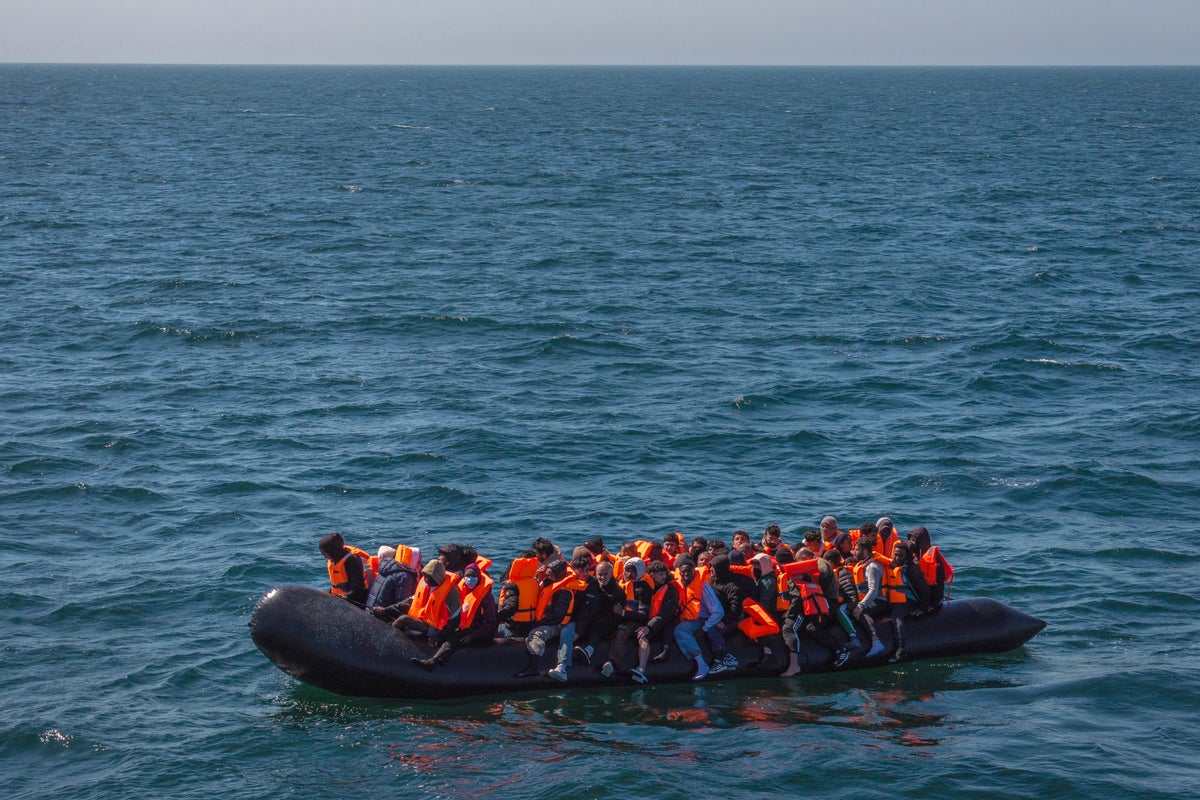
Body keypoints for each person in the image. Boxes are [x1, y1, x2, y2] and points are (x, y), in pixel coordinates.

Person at [410, 562, 497, 671]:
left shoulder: (486, 597)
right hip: (460, 625)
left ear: (478, 577)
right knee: (447, 631)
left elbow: (490, 623)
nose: (469, 579)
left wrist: (472, 637)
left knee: (453, 638)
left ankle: (434, 661)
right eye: (467, 576)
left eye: (473, 576)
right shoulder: (461, 590)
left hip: (476, 630)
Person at [515, 558, 585, 680]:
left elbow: (558, 616)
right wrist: (540, 576)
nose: (548, 576)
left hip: (557, 625)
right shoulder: (550, 584)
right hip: (545, 620)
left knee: (536, 634)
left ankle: (534, 667)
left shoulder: (564, 592)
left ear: (559, 575)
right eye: (548, 574)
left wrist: (540, 623)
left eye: (551, 575)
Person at [780, 557, 840, 676]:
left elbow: (798, 600)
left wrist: (789, 616)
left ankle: (794, 665)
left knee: (790, 628)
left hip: (810, 610)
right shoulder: (793, 577)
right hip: (807, 608)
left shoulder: (806, 575)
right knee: (808, 627)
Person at [624, 560, 680, 683]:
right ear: (651, 574)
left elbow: (666, 614)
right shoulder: (644, 587)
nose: (663, 577)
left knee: (643, 636)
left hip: (663, 623)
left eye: (664, 574)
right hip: (646, 620)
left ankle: (641, 669)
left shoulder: (669, 590)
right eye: (660, 574)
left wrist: (649, 627)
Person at [672, 555, 726, 680]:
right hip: (688, 618)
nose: (686, 574)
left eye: (688, 571)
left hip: (703, 619)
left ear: (694, 571)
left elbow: (718, 611)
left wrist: (705, 628)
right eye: (683, 572)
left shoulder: (703, 587)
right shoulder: (678, 585)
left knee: (680, 630)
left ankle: (701, 663)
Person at [600, 558, 652, 680]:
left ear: (639, 571)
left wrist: (623, 613)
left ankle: (613, 662)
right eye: (627, 571)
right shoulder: (619, 584)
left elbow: (643, 614)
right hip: (620, 618)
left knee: (622, 633)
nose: (629, 574)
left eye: (632, 571)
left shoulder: (643, 588)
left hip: (636, 621)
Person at [391, 559, 462, 644]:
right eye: (426, 575)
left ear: (438, 577)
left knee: (403, 619)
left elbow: (455, 619)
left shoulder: (451, 591)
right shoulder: (426, 584)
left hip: (435, 628)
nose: (427, 579)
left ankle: (390, 639)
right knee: (398, 618)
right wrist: (387, 609)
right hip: (421, 619)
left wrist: (439, 636)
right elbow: (411, 600)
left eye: (430, 577)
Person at [850, 539, 897, 659]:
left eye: (856, 550)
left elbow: (873, 591)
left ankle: (876, 641)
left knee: (861, 612)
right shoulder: (862, 564)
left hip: (881, 601)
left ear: (865, 551)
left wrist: (860, 606)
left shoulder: (872, 567)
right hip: (871, 601)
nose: (854, 552)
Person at [574, 558, 624, 666]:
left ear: (611, 574)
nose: (602, 577)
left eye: (605, 574)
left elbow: (615, 616)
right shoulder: (592, 585)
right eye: (600, 574)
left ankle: (588, 652)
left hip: (607, 623)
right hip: (592, 617)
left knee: (596, 628)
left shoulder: (618, 592)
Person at [367, 544, 420, 620]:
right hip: (382, 619)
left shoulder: (385, 568)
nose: (420, 565)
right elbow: (402, 607)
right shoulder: (404, 576)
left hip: (369, 611)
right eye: (418, 561)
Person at [319, 532, 369, 607]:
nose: (325, 556)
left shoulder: (351, 561)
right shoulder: (334, 559)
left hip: (356, 600)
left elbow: (358, 588)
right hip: (340, 599)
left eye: (325, 554)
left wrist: (346, 597)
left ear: (333, 551)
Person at [908, 526, 954, 606]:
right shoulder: (914, 556)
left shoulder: (935, 559)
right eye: (910, 540)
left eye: (914, 540)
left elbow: (939, 584)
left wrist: (931, 605)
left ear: (921, 541)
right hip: (918, 595)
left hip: (932, 597)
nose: (911, 543)